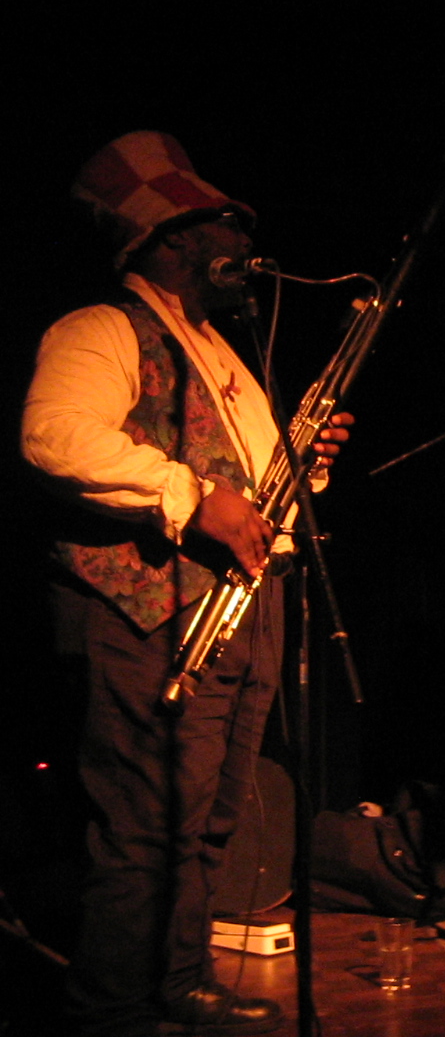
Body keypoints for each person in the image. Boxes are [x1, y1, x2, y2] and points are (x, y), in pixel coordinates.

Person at [22, 131, 351, 1036]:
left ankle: (175, 981)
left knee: (205, 816)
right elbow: (54, 437)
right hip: (144, 609)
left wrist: (302, 464)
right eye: (219, 230)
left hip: (244, 609)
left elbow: (255, 482)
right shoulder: (101, 328)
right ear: (168, 242)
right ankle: (113, 1010)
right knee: (142, 821)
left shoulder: (225, 353)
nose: (241, 247)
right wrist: (187, 492)